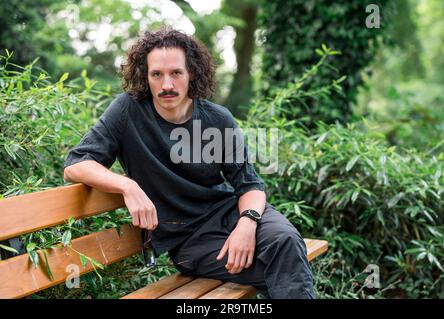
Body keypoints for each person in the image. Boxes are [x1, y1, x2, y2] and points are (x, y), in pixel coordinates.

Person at [63, 27, 315, 299]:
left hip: (233, 214)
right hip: (189, 241)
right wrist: (128, 186)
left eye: (176, 73)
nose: (167, 85)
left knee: (286, 242)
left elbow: (250, 185)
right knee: (282, 267)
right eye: (156, 74)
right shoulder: (128, 110)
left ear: (191, 73)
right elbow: (76, 164)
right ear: (144, 76)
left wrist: (247, 222)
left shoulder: (217, 120)